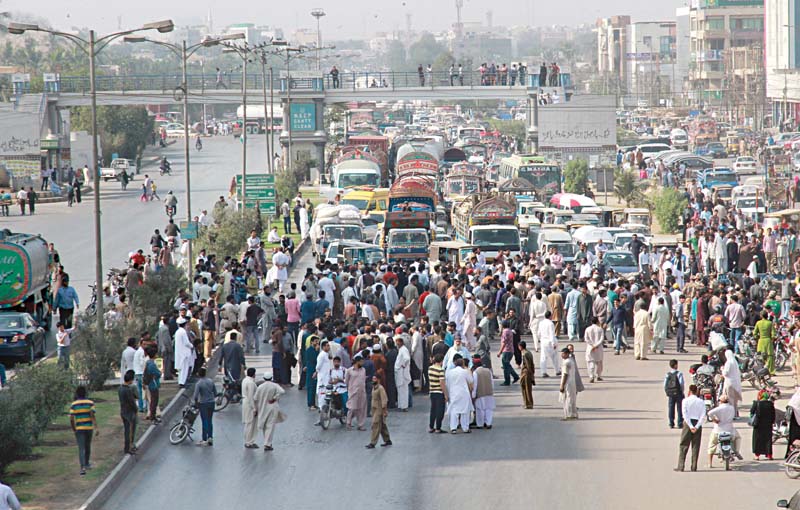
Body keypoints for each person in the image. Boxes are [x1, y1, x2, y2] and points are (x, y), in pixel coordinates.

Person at [676, 384, 706, 472]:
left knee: (684, 445)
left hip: (687, 424)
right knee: (696, 446)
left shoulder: (685, 401)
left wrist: (691, 426)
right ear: (697, 391)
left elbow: (684, 414)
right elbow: (703, 415)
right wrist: (696, 426)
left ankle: (681, 466)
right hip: (697, 423)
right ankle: (694, 466)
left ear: (689, 391)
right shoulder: (701, 402)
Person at [707, 395, 743, 468]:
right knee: (738, 438)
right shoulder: (732, 408)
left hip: (718, 430)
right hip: (730, 430)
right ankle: (736, 451)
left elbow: (709, 413)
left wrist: (714, 420)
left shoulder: (718, 408)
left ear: (720, 401)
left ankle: (710, 463)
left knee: (712, 444)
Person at [254, 372, 287, 451]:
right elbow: (282, 391)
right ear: (271, 378)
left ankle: (266, 441)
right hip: (272, 407)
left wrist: (255, 408)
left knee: (265, 425)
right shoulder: (274, 385)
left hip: (262, 407)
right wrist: (275, 398)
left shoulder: (260, 387)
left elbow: (255, 398)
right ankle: (267, 443)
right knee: (270, 425)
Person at [69, 386, 98, 475]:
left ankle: (82, 468)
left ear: (77, 394)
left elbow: (71, 418)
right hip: (89, 428)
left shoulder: (74, 404)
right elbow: (92, 415)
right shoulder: (90, 403)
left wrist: (74, 428)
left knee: (81, 448)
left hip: (79, 429)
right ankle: (87, 463)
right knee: (88, 446)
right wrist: (96, 427)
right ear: (85, 393)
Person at [445, 355, 473, 433]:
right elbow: (471, 381)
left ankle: (453, 428)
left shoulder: (449, 372)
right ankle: (465, 428)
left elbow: (447, 383)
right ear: (462, 364)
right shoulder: (465, 372)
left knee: (454, 411)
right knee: (465, 411)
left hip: (453, 393)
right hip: (464, 393)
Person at [366, 375, 391, 448]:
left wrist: (384, 410)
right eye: (373, 378)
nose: (373, 380)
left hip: (379, 410)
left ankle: (373, 443)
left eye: (375, 379)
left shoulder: (380, 389)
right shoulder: (374, 388)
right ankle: (387, 440)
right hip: (374, 410)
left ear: (379, 380)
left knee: (375, 425)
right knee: (382, 426)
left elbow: (384, 400)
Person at [750, 389, 776, 460]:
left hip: (758, 424)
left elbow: (752, 412)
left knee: (757, 439)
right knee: (768, 440)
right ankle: (769, 455)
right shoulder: (770, 404)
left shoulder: (756, 403)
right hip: (768, 424)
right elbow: (773, 414)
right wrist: (772, 422)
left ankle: (757, 455)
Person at [193, 367, 216, 446]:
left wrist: (196, 403)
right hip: (211, 403)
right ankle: (210, 437)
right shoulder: (211, 381)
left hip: (203, 403)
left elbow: (195, 396)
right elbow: (215, 392)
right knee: (210, 421)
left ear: (199, 374)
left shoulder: (199, 383)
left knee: (204, 421)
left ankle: (204, 439)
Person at [559, 347, 583, 420]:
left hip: (567, 383)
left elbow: (565, 374)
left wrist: (562, 385)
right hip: (572, 382)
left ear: (567, 354)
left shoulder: (566, 362)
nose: (562, 355)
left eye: (563, 354)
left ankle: (569, 415)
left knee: (568, 399)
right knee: (572, 398)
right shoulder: (571, 360)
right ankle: (574, 414)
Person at [118, 370, 139, 455]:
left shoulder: (120, 388)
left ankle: (127, 447)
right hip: (129, 413)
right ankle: (128, 448)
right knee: (130, 431)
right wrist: (136, 409)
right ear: (131, 380)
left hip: (123, 411)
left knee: (127, 430)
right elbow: (132, 402)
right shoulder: (128, 390)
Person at [472, 357, 495, 429]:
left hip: (480, 393)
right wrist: (492, 390)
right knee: (489, 409)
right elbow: (492, 382)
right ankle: (488, 423)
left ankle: (480, 424)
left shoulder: (475, 373)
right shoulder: (488, 371)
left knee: (480, 409)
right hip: (489, 393)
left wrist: (473, 395)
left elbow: (475, 384)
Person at [345, 355, 367, 430]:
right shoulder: (349, 371)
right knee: (352, 408)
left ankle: (360, 424)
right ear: (357, 362)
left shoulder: (363, 370)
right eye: (361, 361)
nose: (362, 363)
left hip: (362, 392)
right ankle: (348, 422)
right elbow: (346, 381)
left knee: (361, 409)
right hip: (353, 392)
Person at [174, 317, 195, 387]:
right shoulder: (183, 332)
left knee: (181, 369)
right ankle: (183, 382)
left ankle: (180, 381)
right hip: (184, 353)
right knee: (184, 368)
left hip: (179, 352)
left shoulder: (177, 332)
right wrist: (192, 345)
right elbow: (186, 343)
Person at [428, 353, 446, 433]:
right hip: (439, 392)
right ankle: (438, 428)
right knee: (440, 411)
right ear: (441, 361)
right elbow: (442, 383)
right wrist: (446, 394)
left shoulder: (430, 368)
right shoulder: (441, 370)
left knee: (433, 410)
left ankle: (431, 427)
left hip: (432, 391)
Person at [664, 359, 685, 429]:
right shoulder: (679, 374)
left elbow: (665, 384)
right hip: (678, 393)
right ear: (676, 365)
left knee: (671, 407)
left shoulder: (668, 374)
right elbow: (681, 383)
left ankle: (671, 422)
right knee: (679, 408)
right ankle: (680, 422)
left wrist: (667, 391)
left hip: (671, 393)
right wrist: (682, 391)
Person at [498, 320, 519, 385]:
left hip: (506, 351)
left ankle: (507, 381)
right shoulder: (510, 330)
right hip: (510, 350)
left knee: (506, 367)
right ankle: (515, 376)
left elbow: (504, 343)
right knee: (507, 365)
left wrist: (500, 352)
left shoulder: (505, 331)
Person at [143, 348, 162, 422]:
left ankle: (152, 415)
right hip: (153, 384)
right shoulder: (152, 364)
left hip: (150, 383)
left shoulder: (148, 362)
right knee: (154, 401)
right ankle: (152, 416)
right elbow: (157, 373)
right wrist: (159, 373)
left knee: (153, 401)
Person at [242, 368, 258, 448]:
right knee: (250, 423)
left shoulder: (245, 380)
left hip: (245, 402)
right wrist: (254, 408)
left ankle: (249, 441)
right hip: (249, 404)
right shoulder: (251, 383)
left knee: (248, 423)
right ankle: (249, 442)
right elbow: (251, 396)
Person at [584, 317, 604, 383]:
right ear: (597, 322)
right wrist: (596, 345)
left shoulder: (588, 329)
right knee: (599, 363)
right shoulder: (600, 329)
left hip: (590, 348)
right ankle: (598, 376)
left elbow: (586, 339)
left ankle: (591, 376)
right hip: (598, 348)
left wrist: (592, 345)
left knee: (590, 362)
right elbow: (601, 339)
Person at [395, 336, 412, 411]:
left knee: (403, 390)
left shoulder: (404, 350)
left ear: (401, 342)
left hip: (402, 373)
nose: (397, 344)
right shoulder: (401, 349)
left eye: (398, 342)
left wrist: (403, 365)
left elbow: (407, 358)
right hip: (399, 372)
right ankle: (401, 405)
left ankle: (404, 406)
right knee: (400, 390)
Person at [519, 341, 536, 409]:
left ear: (520, 346)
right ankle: (528, 403)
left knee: (526, 389)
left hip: (526, 373)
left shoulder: (524, 354)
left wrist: (531, 375)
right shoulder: (529, 352)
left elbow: (528, 365)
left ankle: (528, 404)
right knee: (528, 388)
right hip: (528, 372)